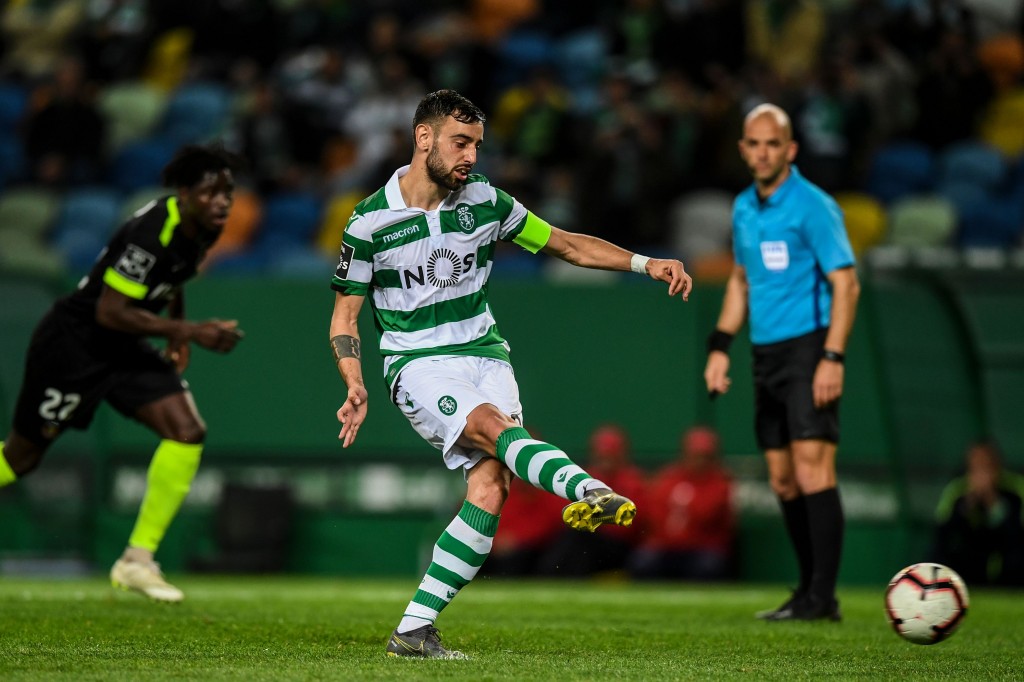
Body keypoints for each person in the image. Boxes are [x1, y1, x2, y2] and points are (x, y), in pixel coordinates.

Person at [328, 89, 692, 659]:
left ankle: (414, 630)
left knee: (491, 486)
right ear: (424, 138)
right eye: (460, 142)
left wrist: (646, 263)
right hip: (418, 364)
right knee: (496, 429)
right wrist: (354, 378)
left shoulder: (488, 203)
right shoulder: (370, 221)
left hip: (486, 355)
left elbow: (568, 246)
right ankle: (587, 488)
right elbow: (345, 314)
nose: (471, 155)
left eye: (476, 144)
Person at [0, 144, 245, 603]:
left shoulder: (203, 229)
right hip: (74, 346)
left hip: (123, 348)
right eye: (211, 192)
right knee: (20, 459)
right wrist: (189, 332)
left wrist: (174, 331)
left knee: (187, 430)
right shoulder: (151, 232)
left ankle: (137, 560)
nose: (222, 202)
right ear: (185, 192)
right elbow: (111, 312)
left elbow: (173, 280)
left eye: (227, 192)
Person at [703, 103, 860, 621]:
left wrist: (832, 358)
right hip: (765, 354)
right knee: (783, 479)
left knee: (814, 470)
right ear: (744, 148)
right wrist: (720, 347)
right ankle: (808, 590)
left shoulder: (815, 206)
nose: (763, 151)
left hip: (810, 348)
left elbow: (845, 282)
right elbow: (740, 280)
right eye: (755, 142)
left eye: (774, 143)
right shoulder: (745, 207)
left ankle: (823, 597)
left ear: (790, 149)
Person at [537, 424, 648, 577]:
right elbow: (561, 516)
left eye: (610, 455)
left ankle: (559, 577)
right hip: (585, 541)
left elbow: (634, 524)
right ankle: (553, 576)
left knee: (582, 537)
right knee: (573, 537)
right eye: (601, 454)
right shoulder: (586, 477)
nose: (605, 460)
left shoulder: (632, 481)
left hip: (620, 546)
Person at [629, 425, 735, 581]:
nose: (699, 462)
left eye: (704, 457)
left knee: (708, 566)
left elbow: (708, 516)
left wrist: (685, 508)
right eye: (695, 456)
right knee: (643, 562)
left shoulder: (720, 482)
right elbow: (653, 514)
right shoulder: (669, 477)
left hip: (701, 548)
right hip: (666, 548)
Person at [932, 440, 1024, 587]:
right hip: (971, 551)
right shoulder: (958, 490)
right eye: (976, 464)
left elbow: (1016, 531)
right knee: (941, 552)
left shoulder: (1015, 488)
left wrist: (992, 500)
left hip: (1005, 549)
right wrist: (969, 504)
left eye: (987, 465)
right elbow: (944, 530)